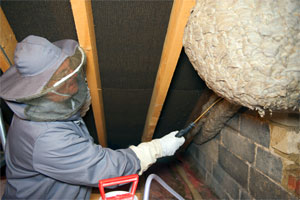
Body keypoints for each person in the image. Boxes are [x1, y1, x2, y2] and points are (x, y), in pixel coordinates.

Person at [0, 35, 185, 199]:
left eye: (69, 70)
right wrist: (156, 149)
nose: (73, 84)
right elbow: (106, 171)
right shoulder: (47, 139)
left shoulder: (36, 110)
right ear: (39, 91)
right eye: (62, 78)